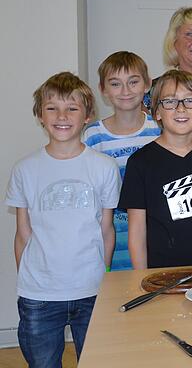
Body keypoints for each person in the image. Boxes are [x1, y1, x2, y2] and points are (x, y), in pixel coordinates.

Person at [6, 72, 120, 366]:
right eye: (52, 107)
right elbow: (22, 233)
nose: (62, 116)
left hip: (92, 290)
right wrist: (30, 283)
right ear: (39, 115)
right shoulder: (25, 169)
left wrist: (103, 277)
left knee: (96, 362)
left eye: (72, 108)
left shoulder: (104, 168)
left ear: (87, 115)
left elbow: (106, 230)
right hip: (39, 296)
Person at [120, 70, 192, 269]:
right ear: (156, 112)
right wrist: (140, 278)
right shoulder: (140, 163)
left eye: (190, 101)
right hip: (159, 275)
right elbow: (137, 232)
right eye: (170, 102)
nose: (181, 109)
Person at [83, 51, 161, 271]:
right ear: (103, 90)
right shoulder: (92, 136)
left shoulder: (160, 129)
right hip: (112, 238)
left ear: (147, 84)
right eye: (115, 84)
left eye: (133, 82)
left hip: (153, 236)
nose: (125, 91)